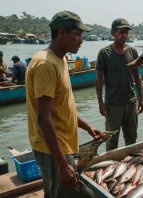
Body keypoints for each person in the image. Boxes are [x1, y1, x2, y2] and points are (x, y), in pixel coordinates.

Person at [25, 11, 103, 198]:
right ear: (61, 33)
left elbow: (61, 109)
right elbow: (44, 119)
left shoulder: (61, 60)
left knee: (54, 192)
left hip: (62, 145)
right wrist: (62, 165)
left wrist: (87, 127)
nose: (81, 40)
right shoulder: (46, 65)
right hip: (53, 149)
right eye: (77, 34)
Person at [96, 18, 143, 151]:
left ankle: (130, 166)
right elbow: (99, 80)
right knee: (111, 141)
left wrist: (141, 98)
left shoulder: (132, 52)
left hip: (130, 102)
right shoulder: (104, 53)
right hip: (113, 104)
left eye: (126, 32)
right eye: (121, 32)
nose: (124, 36)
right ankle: (111, 169)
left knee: (132, 139)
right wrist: (101, 103)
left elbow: (137, 77)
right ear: (113, 33)